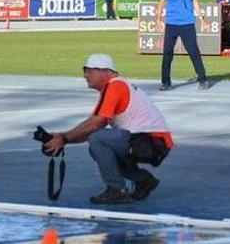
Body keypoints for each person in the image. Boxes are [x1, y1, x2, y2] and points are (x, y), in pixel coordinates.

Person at [44, 54, 173, 204]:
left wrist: (64, 138)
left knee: (98, 140)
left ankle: (116, 189)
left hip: (149, 142)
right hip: (151, 142)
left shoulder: (115, 86)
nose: (85, 75)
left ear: (106, 71)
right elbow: (91, 128)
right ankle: (143, 180)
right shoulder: (115, 87)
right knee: (97, 145)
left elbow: (96, 124)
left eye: (89, 70)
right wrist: (62, 139)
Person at [155, 0, 208, 91]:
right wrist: (158, 20)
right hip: (171, 24)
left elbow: (195, 2)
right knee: (167, 54)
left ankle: (202, 79)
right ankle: (165, 82)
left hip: (188, 24)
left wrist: (202, 20)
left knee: (194, 52)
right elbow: (161, 3)